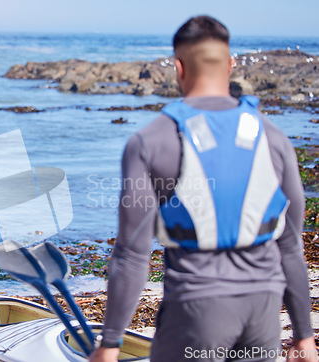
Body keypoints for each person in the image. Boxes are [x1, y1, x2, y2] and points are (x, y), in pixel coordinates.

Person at [90, 16, 317, 362]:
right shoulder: (273, 137)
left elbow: (132, 254)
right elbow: (289, 245)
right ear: (231, 65)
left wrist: (109, 343)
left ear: (178, 68)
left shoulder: (152, 141)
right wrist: (303, 337)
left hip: (196, 315)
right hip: (263, 314)